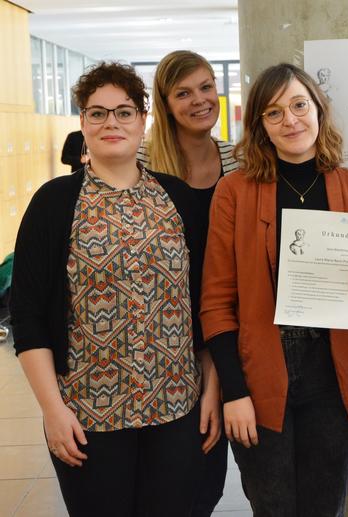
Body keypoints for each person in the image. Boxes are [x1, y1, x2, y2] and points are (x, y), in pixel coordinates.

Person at [10, 61, 214, 517]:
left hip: (176, 409)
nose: (111, 123)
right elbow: (27, 316)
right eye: (97, 113)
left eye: (123, 112)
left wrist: (212, 387)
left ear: (143, 121)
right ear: (82, 122)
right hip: (88, 417)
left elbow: (207, 302)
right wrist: (52, 410)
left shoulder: (178, 198)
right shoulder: (54, 203)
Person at [200, 63, 348, 517]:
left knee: (327, 507)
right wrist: (234, 391)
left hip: (333, 374)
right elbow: (215, 303)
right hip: (259, 369)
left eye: (299, 105)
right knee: (274, 507)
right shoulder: (234, 191)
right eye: (274, 113)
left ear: (318, 109)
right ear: (260, 126)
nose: (291, 120)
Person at [137, 49, 237, 517]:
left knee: (205, 477)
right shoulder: (140, 161)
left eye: (206, 87)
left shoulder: (239, 161)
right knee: (158, 482)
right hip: (153, 342)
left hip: (218, 330)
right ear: (165, 101)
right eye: (183, 93)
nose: (200, 100)